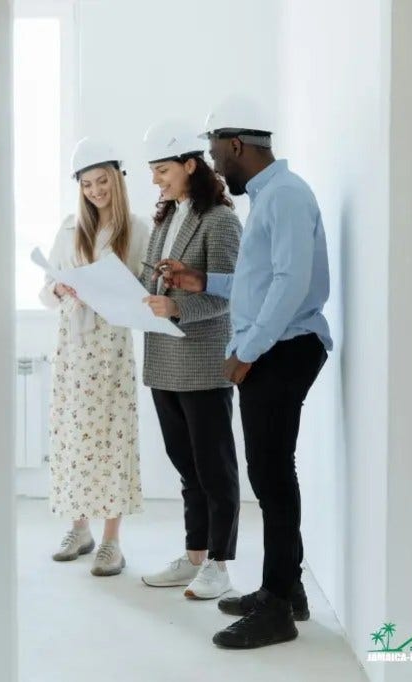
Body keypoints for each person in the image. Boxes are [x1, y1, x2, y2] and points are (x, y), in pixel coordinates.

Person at [156, 95, 332, 648]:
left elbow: (290, 285)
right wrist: (201, 281)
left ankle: (277, 607)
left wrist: (248, 349)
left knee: (273, 481)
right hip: (275, 346)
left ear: (235, 146)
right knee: (272, 476)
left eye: (213, 152)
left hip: (284, 348)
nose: (212, 165)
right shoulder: (271, 195)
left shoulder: (285, 195)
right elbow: (261, 282)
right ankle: (287, 591)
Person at [135, 120, 242, 601]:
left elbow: (228, 292)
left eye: (162, 170)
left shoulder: (219, 220)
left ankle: (220, 564)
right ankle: (195, 553)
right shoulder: (165, 216)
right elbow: (158, 285)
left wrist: (177, 305)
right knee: (186, 466)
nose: (156, 180)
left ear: (190, 165)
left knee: (214, 468)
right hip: (164, 359)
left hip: (202, 361)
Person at [40, 137, 148, 577]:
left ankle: (111, 541)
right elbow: (44, 291)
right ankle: (78, 528)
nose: (96, 191)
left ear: (118, 180)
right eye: (87, 184)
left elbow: (145, 290)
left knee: (111, 438)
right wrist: (59, 288)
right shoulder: (69, 229)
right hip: (73, 348)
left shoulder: (137, 230)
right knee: (73, 437)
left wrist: (116, 289)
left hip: (111, 348)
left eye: (102, 181)